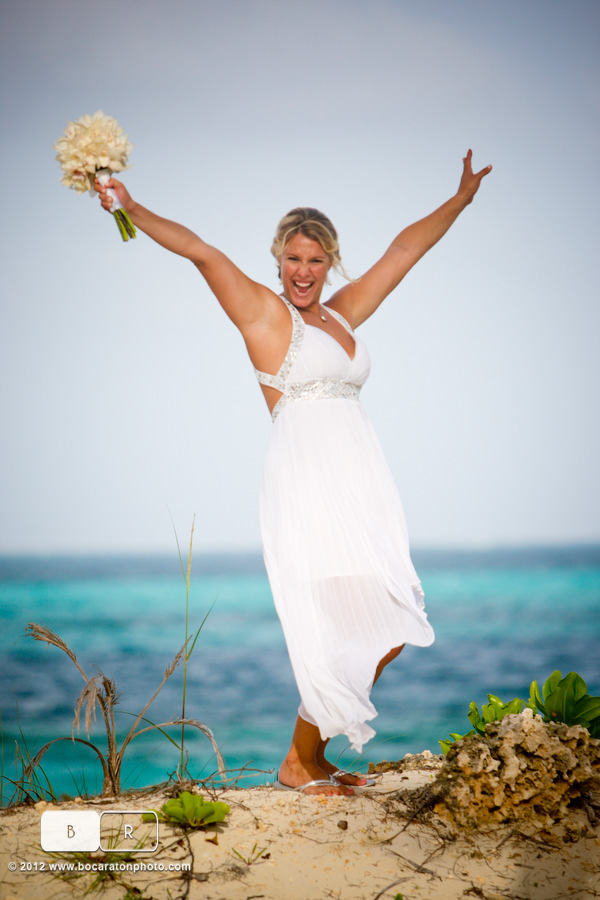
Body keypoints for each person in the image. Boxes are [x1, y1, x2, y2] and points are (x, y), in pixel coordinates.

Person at [96, 150, 491, 796]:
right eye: (293, 259)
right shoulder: (263, 313)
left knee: (384, 621)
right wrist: (131, 207)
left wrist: (459, 200)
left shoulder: (340, 314)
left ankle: (310, 755)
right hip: (310, 485)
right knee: (353, 624)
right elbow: (200, 251)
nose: (303, 271)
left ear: (330, 262)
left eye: (316, 260)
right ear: (277, 260)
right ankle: (298, 761)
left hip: (360, 482)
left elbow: (403, 251)